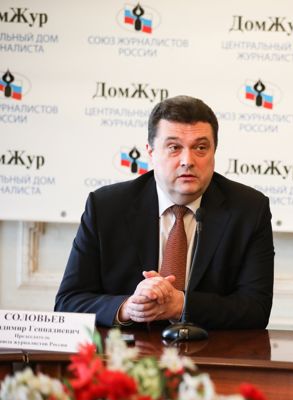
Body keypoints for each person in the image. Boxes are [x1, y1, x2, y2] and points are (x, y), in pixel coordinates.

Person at [55, 95, 274, 330]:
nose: (187, 161)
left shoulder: (249, 209)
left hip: (208, 349)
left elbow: (256, 309)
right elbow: (68, 302)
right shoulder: (106, 207)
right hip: (127, 349)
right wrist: (128, 307)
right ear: (150, 152)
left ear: (214, 152)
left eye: (200, 148)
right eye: (174, 148)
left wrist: (182, 305)